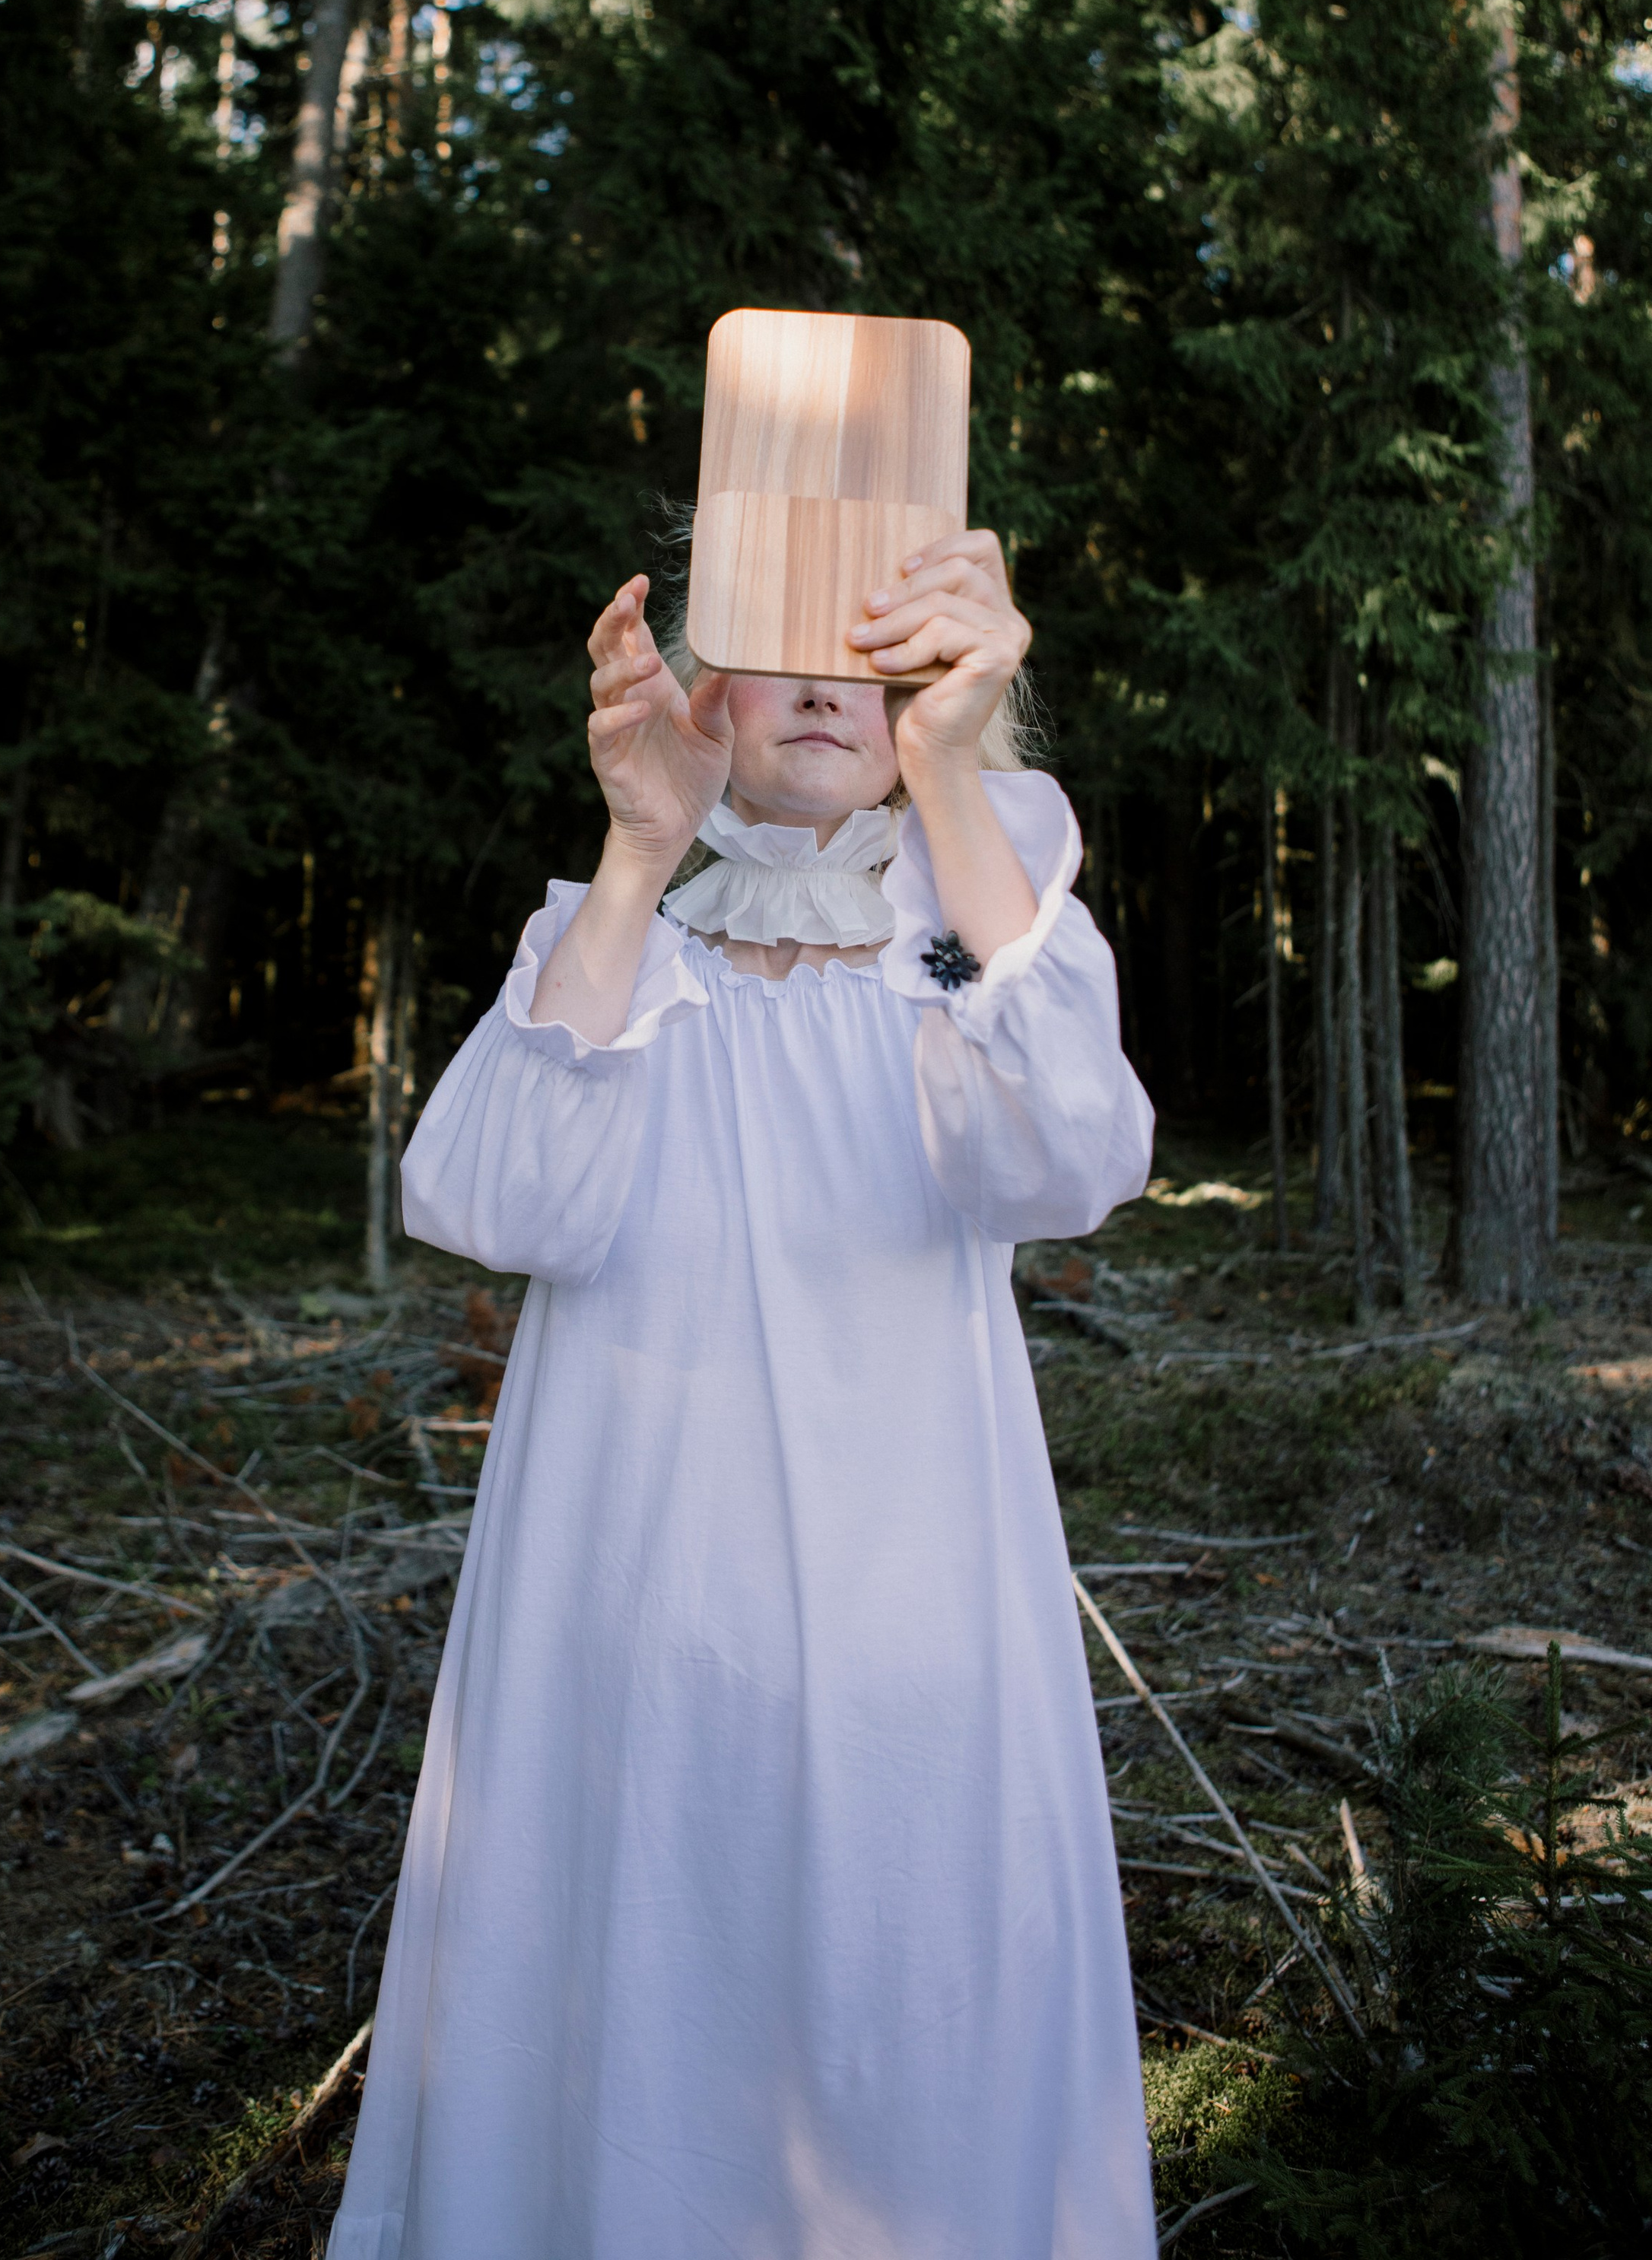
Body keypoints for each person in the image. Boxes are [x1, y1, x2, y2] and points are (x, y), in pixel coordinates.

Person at [327, 530, 1158, 2260]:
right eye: (780, 643)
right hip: (622, 1649)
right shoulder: (626, 953)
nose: (819, 687)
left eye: (876, 661)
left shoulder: (965, 945)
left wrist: (946, 786)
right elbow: (480, 1201)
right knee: (637, 2069)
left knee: (903, 2058)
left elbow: (1073, 1152)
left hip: (907, 1650)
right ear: (709, 686)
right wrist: (636, 852)